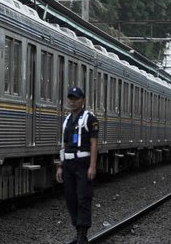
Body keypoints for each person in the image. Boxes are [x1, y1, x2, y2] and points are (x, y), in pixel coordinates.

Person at [56, 86, 99, 244]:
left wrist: (92, 166)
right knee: (71, 199)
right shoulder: (67, 120)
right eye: (70, 98)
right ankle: (77, 228)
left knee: (83, 198)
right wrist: (60, 165)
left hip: (83, 163)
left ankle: (82, 233)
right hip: (68, 163)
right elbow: (64, 144)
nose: (72, 102)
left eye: (76, 98)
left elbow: (94, 144)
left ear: (83, 100)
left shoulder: (90, 119)